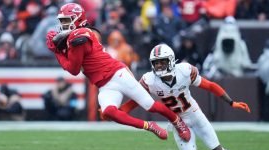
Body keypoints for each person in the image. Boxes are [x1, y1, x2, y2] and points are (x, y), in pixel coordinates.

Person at [46, 3, 190, 141]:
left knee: (150, 105)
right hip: (104, 84)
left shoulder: (79, 35)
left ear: (78, 19)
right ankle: (149, 126)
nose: (63, 24)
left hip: (117, 74)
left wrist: (57, 51)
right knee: (108, 113)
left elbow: (73, 69)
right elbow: (72, 60)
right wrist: (60, 47)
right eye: (62, 21)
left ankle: (177, 121)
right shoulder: (74, 36)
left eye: (66, 20)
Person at [119, 44, 251, 150]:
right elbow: (136, 100)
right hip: (178, 121)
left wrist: (231, 102)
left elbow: (210, 86)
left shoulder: (185, 71)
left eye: (162, 61)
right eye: (155, 62)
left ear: (170, 61)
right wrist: (117, 112)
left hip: (195, 114)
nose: (158, 66)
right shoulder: (149, 80)